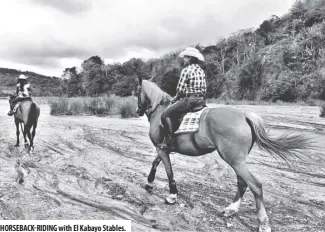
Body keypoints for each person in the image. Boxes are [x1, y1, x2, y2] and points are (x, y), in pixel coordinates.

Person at [160, 47, 207, 150]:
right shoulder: (201, 70)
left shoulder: (186, 70)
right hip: (201, 101)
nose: (183, 59)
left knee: (165, 115)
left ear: (189, 58)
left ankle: (169, 141)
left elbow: (180, 90)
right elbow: (204, 89)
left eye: (185, 57)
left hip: (190, 100)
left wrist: (175, 98)